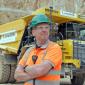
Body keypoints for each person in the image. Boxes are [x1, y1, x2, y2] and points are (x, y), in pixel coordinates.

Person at [14, 14, 62, 85]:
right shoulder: (29, 51)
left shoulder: (54, 48)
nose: (44, 30)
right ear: (33, 32)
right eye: (40, 27)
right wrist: (34, 73)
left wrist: (25, 68)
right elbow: (17, 76)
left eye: (46, 27)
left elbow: (40, 70)